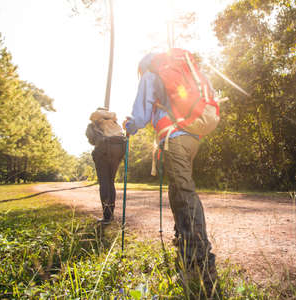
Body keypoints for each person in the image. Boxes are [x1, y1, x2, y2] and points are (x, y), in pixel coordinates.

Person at [123, 53, 220, 297]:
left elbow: (142, 115)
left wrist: (131, 124)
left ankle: (199, 259)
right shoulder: (183, 70)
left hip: (174, 137)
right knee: (178, 191)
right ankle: (184, 244)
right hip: (192, 137)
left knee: (184, 193)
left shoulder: (151, 74)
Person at [86, 108, 126, 224]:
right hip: (118, 149)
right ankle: (110, 214)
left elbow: (92, 140)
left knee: (104, 182)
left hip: (103, 150)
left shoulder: (93, 124)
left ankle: (107, 216)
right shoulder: (114, 122)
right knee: (110, 181)